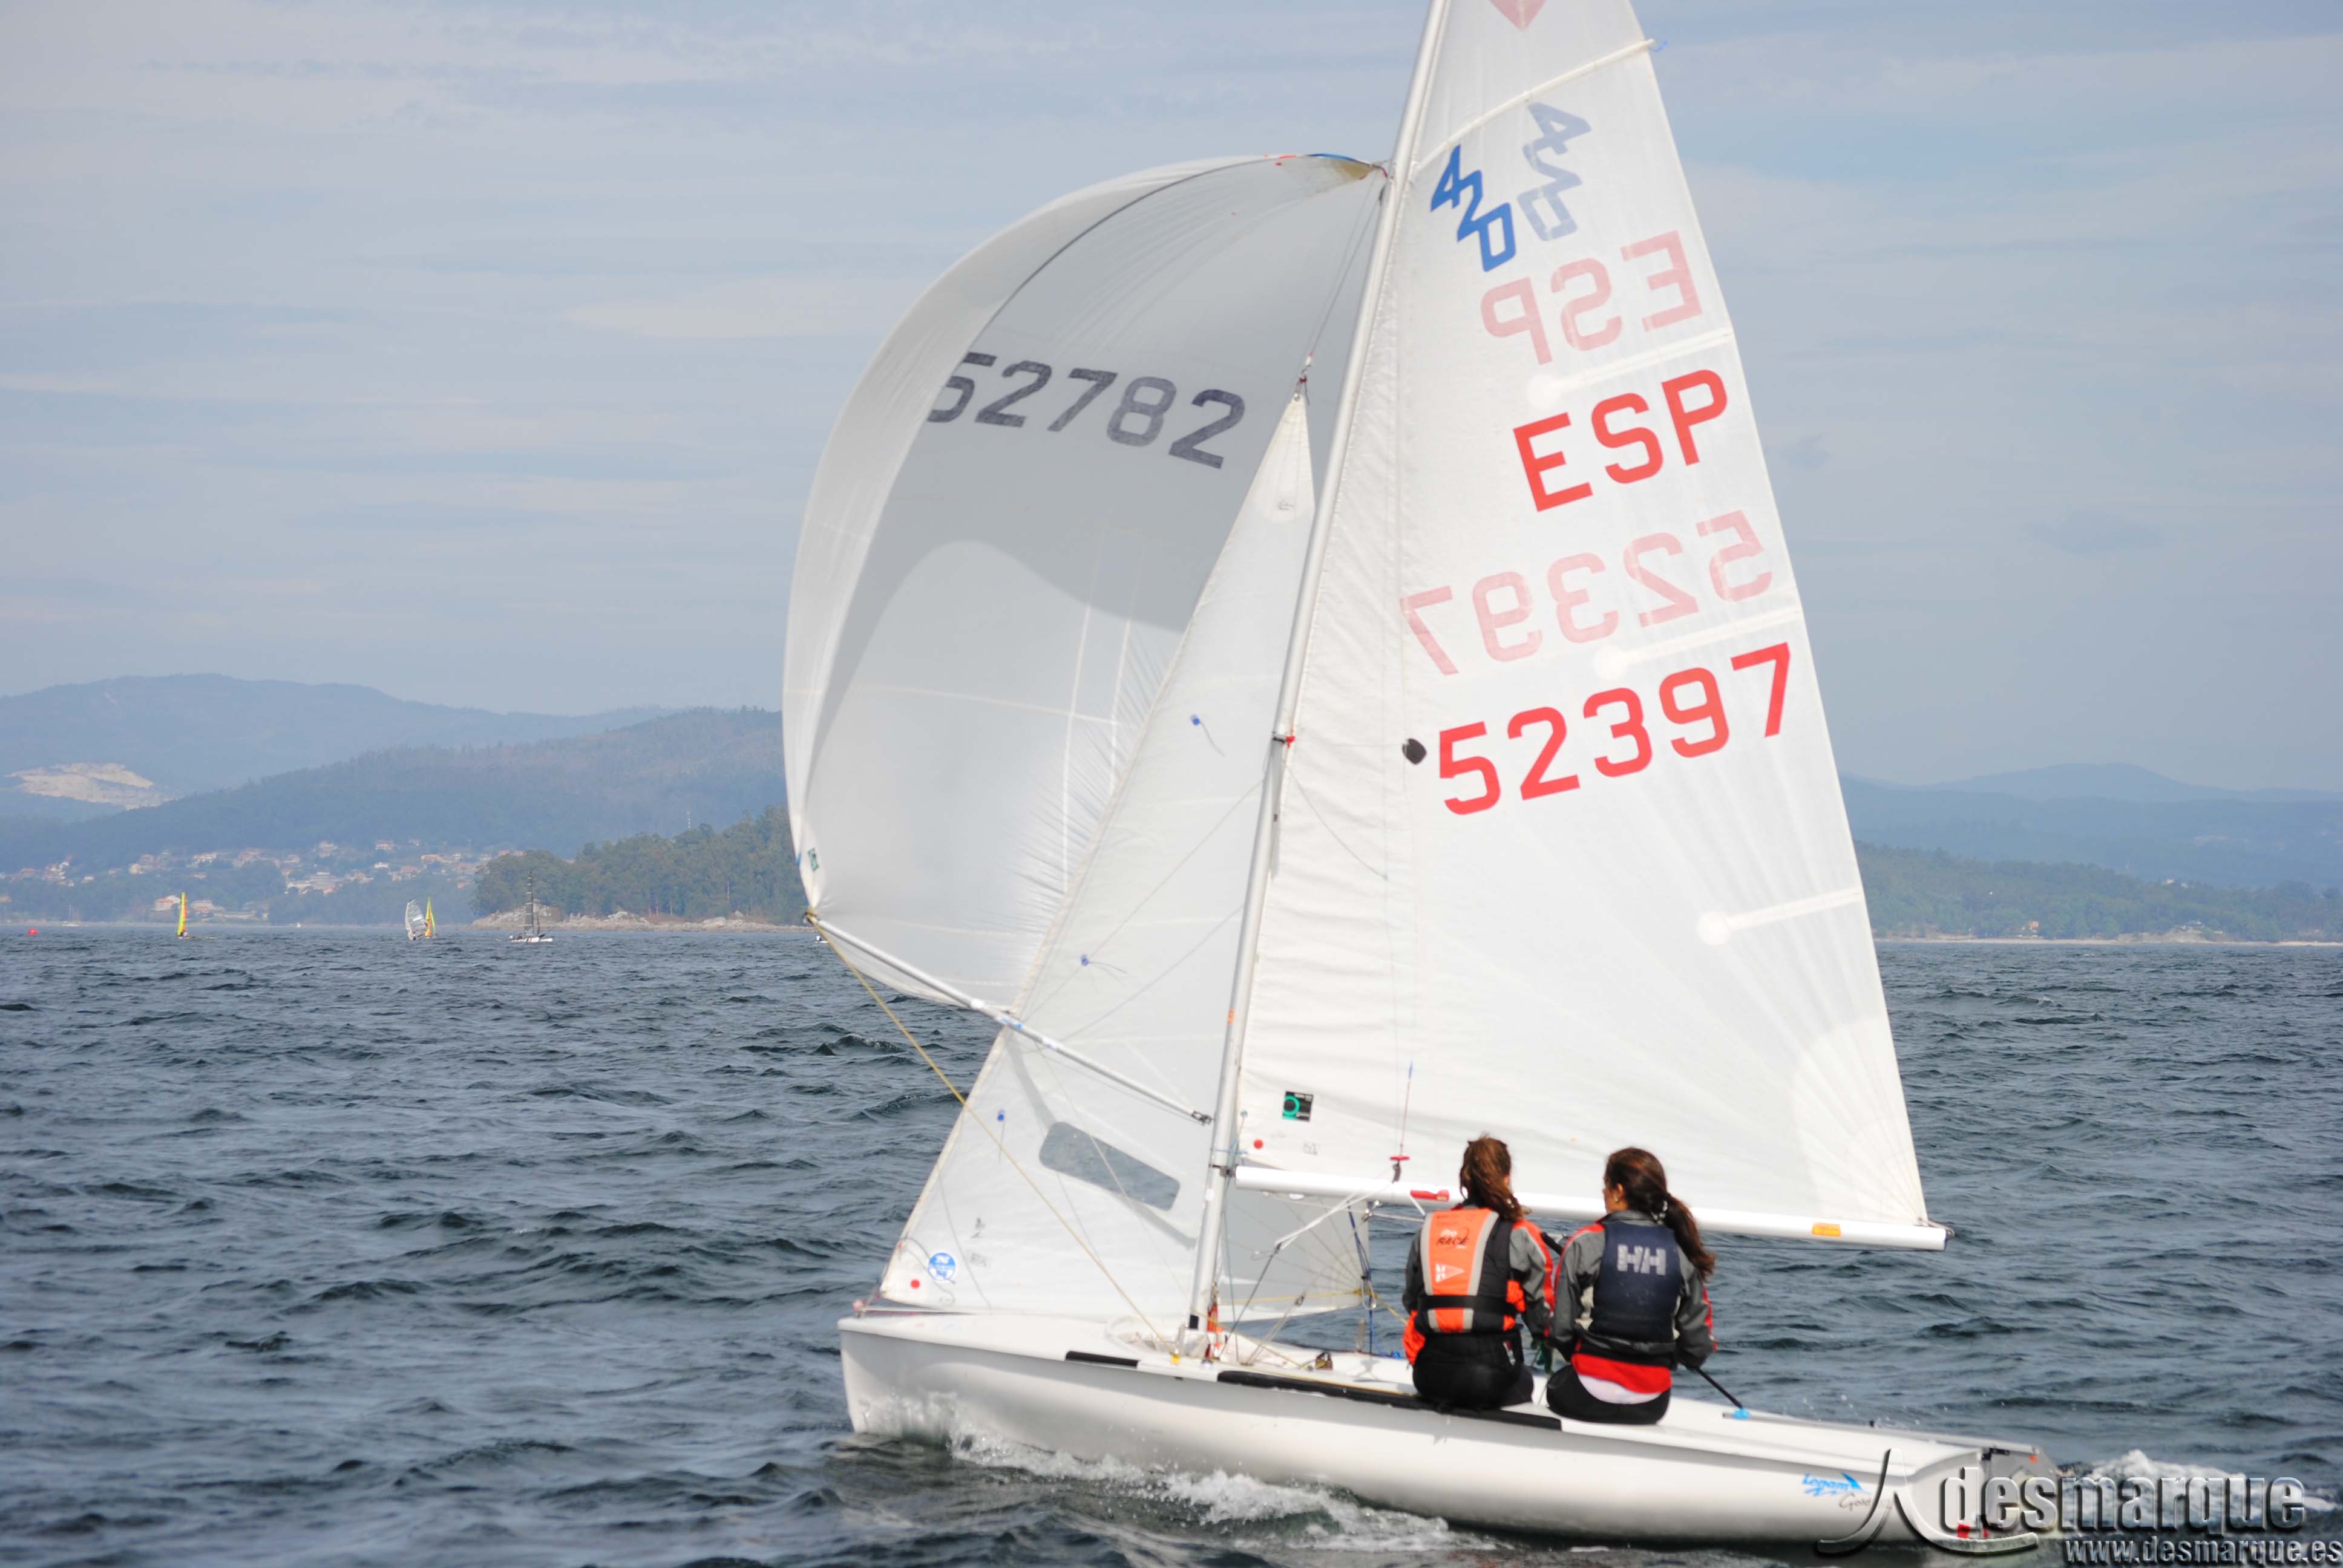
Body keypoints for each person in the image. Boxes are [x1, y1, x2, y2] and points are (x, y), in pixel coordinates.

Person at [1545, 1146, 1716, 1425]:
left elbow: (1560, 1329)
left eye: (1606, 1185)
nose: (1603, 1192)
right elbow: (1699, 1346)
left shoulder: (1585, 1243)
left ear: (1619, 1191)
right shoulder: (1681, 1253)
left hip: (1587, 1394)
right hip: (1652, 1404)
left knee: (1553, 1385)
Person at [1401, 1135, 1556, 1411]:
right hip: (1489, 1377)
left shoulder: (1428, 1229)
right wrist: (1545, 1337)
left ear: (1465, 1180)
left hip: (1429, 1376)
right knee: (1525, 1380)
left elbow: (1412, 1301)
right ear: (1507, 1179)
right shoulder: (1520, 1233)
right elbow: (1540, 1308)